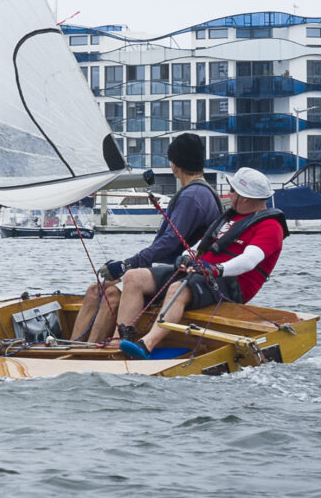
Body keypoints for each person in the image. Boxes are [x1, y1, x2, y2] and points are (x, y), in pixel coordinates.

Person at [72, 133, 222, 345]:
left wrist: (127, 264)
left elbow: (169, 242)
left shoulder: (191, 196)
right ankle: (75, 346)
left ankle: (88, 352)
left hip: (176, 274)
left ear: (174, 165)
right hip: (170, 271)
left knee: (109, 294)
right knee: (95, 289)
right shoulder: (203, 192)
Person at [124, 166, 285, 358]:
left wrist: (216, 269)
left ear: (245, 198)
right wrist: (186, 256)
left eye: (232, 191)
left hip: (233, 284)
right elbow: (199, 246)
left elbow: (249, 260)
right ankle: (121, 341)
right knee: (134, 277)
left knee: (178, 289)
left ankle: (146, 345)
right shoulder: (230, 218)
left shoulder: (271, 226)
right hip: (203, 273)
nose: (229, 194)